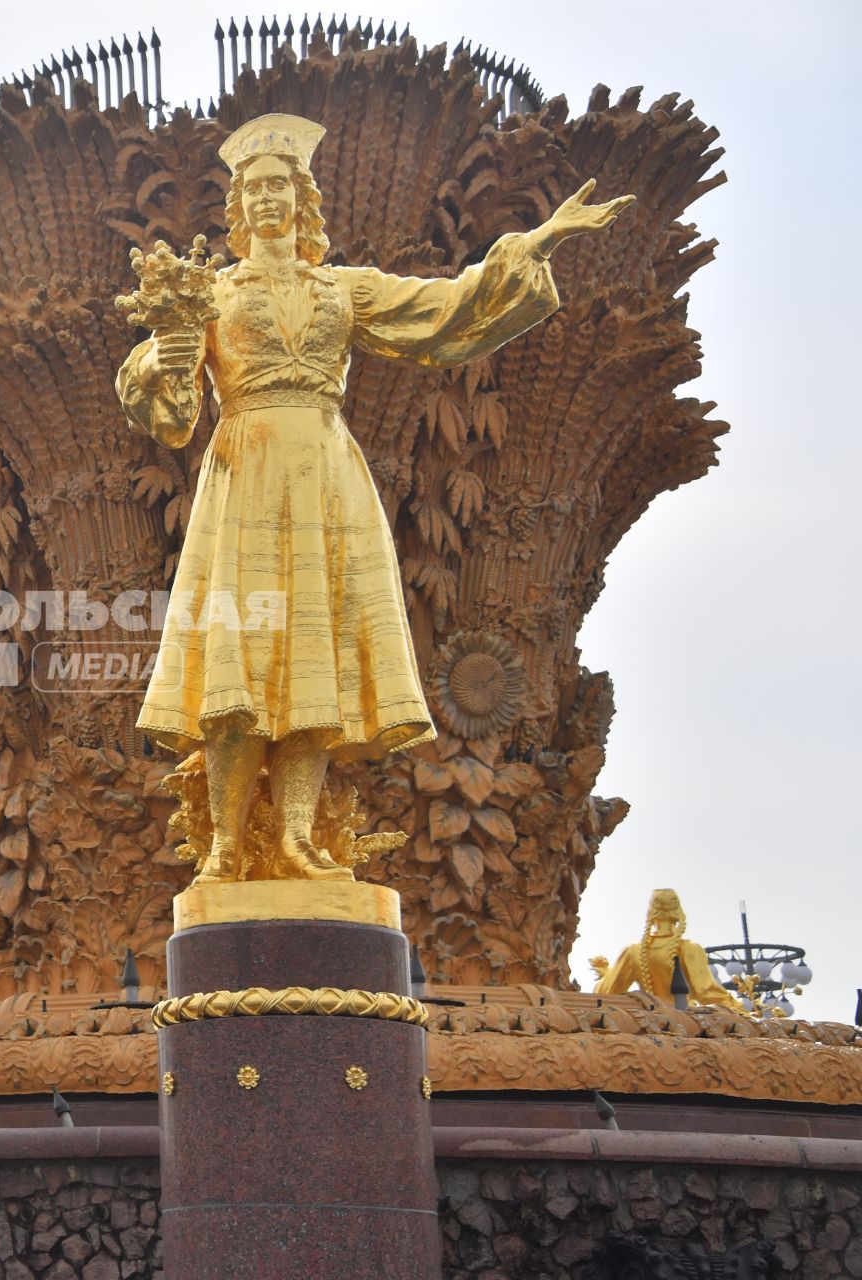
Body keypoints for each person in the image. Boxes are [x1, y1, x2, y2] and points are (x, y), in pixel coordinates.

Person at [117, 114, 632, 882]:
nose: (266, 201)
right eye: (253, 190)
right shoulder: (211, 295)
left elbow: (446, 315)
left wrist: (537, 242)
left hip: (325, 471)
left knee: (310, 662)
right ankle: (225, 843)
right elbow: (172, 417)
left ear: (303, 199)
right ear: (236, 208)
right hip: (245, 471)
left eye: (280, 187)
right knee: (238, 667)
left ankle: (296, 836)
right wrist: (170, 352)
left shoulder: (343, 290)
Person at [591, 889, 739, 1010]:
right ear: (678, 912)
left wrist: (606, 974)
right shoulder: (689, 948)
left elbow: (605, 992)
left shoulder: (633, 951)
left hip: (651, 1021)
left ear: (650, 913)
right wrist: (739, 1009)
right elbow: (707, 992)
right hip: (686, 1020)